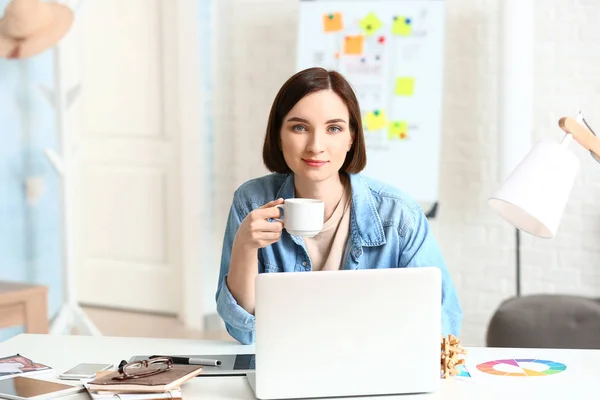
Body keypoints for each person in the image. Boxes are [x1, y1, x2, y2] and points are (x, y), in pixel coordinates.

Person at [215, 67, 462, 345]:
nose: (316, 146)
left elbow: (443, 322)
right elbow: (244, 332)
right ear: (278, 135)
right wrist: (245, 248)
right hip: (287, 362)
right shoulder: (251, 201)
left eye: (334, 128)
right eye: (299, 127)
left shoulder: (399, 216)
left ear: (351, 138)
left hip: (374, 361)